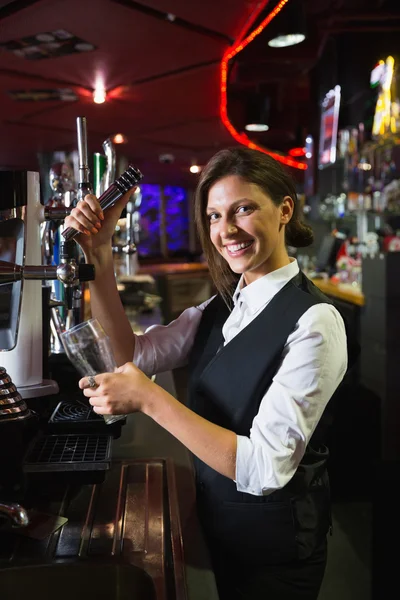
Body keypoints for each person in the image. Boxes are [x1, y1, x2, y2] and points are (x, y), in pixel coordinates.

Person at [64, 147, 347, 600]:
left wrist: (150, 400)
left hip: (275, 555)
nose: (226, 230)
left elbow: (266, 468)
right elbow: (130, 354)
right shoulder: (222, 307)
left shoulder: (314, 322)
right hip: (223, 529)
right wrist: (97, 252)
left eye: (243, 209)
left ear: (285, 211)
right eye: (214, 216)